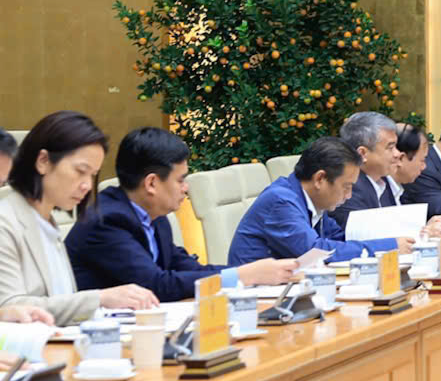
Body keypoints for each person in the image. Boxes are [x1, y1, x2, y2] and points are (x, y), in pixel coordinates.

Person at [65, 127, 299, 299]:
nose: (186, 188)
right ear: (151, 183)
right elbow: (156, 284)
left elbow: (188, 268)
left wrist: (253, 273)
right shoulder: (107, 220)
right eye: (180, 180)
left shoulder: (154, 216)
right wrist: (243, 276)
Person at [0, 112, 158, 321]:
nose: (87, 185)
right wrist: (100, 298)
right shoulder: (6, 221)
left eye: (92, 175)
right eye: (80, 171)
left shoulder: (48, 223)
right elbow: (10, 307)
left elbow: (61, 302)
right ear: (43, 161)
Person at [228, 136, 413, 265]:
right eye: (346, 186)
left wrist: (401, 238)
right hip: (254, 297)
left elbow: (341, 239)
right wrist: (389, 247)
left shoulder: (311, 201)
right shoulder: (281, 201)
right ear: (320, 179)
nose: (348, 195)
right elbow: (316, 251)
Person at [328, 111, 441, 237]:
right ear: (363, 154)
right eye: (390, 148)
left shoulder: (381, 183)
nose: (397, 154)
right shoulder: (350, 189)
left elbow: (392, 230)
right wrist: (421, 233)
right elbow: (363, 238)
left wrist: (424, 229)